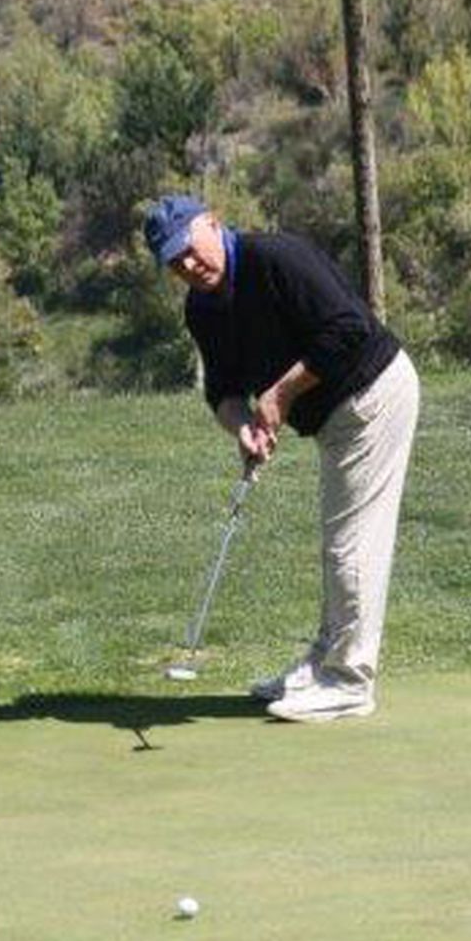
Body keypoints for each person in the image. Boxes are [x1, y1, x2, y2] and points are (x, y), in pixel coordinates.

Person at [144, 193, 420, 724]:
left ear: (213, 223)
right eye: (175, 262)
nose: (189, 265)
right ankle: (322, 665)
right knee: (340, 545)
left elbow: (349, 328)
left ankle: (348, 681)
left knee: (352, 545)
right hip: (335, 416)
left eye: (191, 248)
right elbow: (222, 390)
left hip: (374, 395)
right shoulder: (202, 309)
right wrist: (242, 427)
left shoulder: (276, 258)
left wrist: (280, 393)